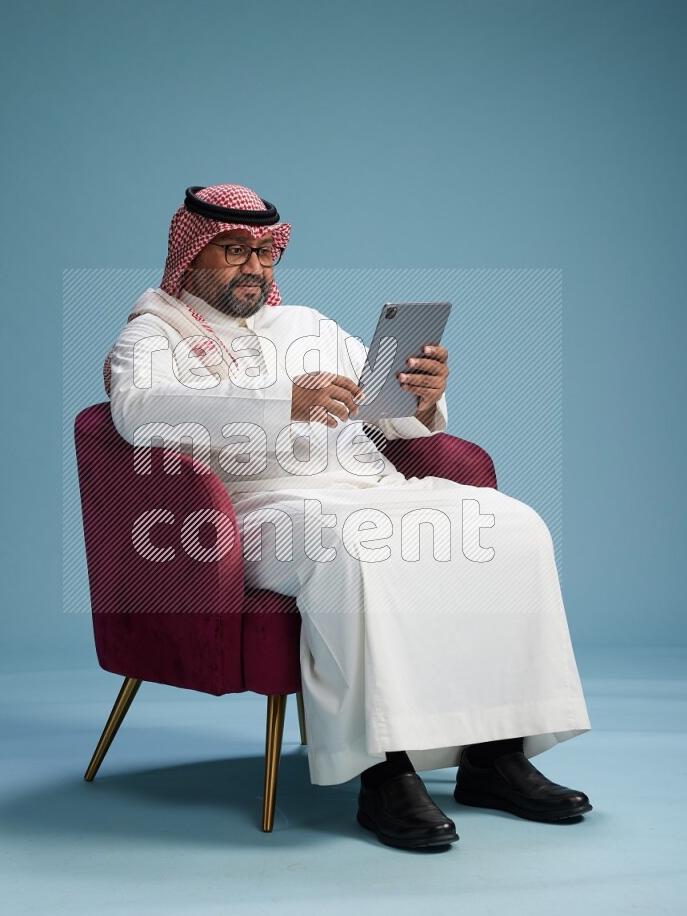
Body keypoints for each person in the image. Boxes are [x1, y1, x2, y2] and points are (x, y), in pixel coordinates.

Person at [105, 183, 593, 851]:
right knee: (355, 548)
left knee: (512, 528)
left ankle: (496, 756)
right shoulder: (152, 332)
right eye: (233, 250)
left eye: (264, 253)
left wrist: (421, 400)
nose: (254, 266)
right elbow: (140, 413)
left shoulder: (307, 323)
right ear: (189, 257)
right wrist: (281, 401)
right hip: (256, 505)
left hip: (371, 482)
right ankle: (384, 774)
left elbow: (381, 408)